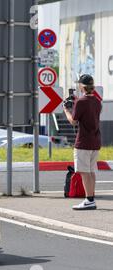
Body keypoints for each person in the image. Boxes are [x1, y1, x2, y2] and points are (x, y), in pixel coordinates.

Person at [63, 74, 102, 211]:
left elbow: (73, 121)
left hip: (83, 142)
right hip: (95, 141)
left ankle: (89, 200)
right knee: (91, 171)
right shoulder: (97, 101)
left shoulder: (81, 102)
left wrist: (67, 110)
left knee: (84, 172)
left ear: (82, 86)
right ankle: (91, 198)